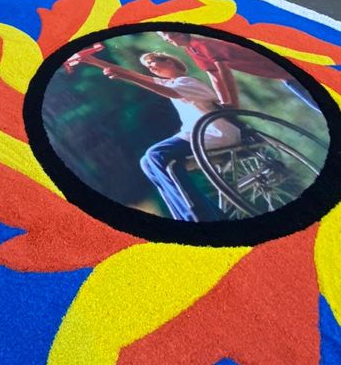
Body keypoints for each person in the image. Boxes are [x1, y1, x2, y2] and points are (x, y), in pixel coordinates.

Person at [103, 52, 240, 222]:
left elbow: (170, 92)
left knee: (156, 155)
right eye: (148, 67)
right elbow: (134, 75)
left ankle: (198, 217)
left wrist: (126, 77)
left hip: (215, 132)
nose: (150, 68)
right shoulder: (173, 83)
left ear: (169, 61)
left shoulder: (187, 82)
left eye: (152, 62)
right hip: (196, 134)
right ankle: (199, 216)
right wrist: (89, 59)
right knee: (146, 163)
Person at [157, 32, 320, 111]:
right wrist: (223, 101)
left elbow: (225, 74)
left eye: (171, 36)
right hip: (285, 77)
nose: (170, 40)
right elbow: (214, 76)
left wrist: (232, 104)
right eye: (166, 39)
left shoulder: (204, 45)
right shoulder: (193, 51)